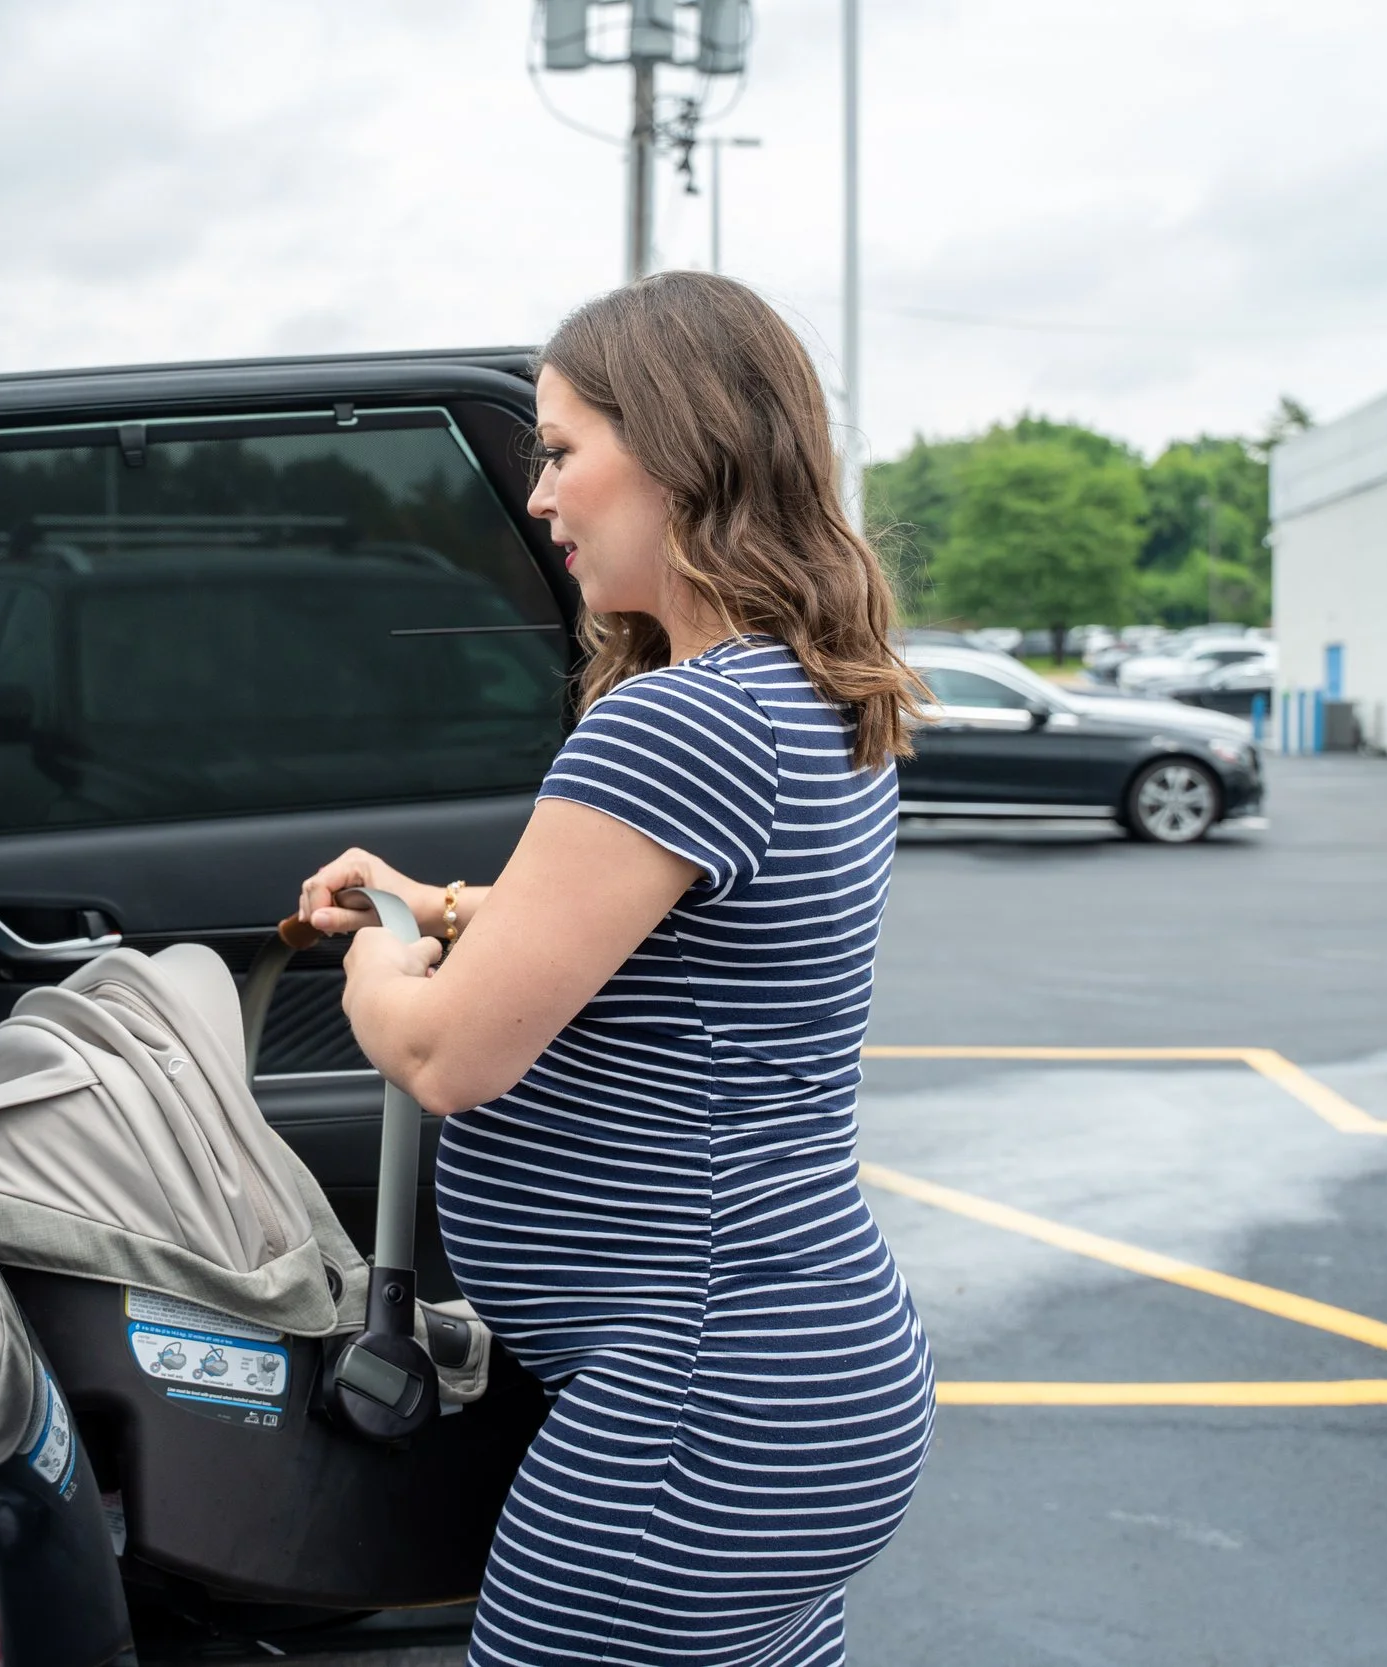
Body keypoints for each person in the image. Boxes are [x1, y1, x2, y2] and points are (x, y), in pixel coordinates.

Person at [297, 271, 934, 1667]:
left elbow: (448, 1054)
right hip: (782, 1372)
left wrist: (381, 963)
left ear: (683, 450)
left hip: (704, 1394)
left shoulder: (678, 724)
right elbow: (677, 947)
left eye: (563, 448)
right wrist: (445, 904)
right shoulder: (803, 695)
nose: (540, 497)